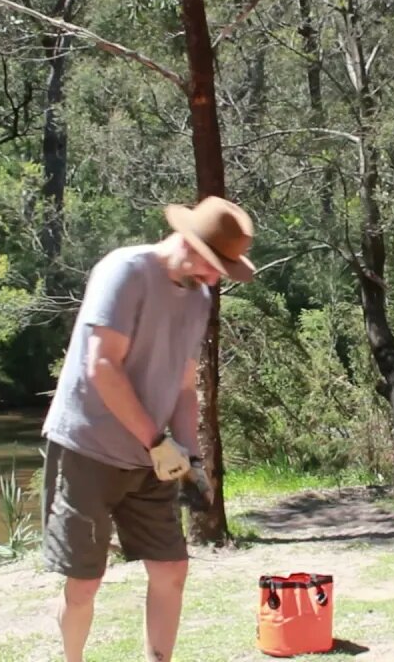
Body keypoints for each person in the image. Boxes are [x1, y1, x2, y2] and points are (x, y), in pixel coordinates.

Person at [40, 196, 255, 662]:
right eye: (215, 263)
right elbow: (102, 366)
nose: (217, 277)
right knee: (84, 580)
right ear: (188, 242)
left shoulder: (197, 299)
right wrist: (157, 441)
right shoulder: (126, 271)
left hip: (150, 456)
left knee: (172, 568)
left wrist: (191, 460)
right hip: (88, 446)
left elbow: (182, 387)